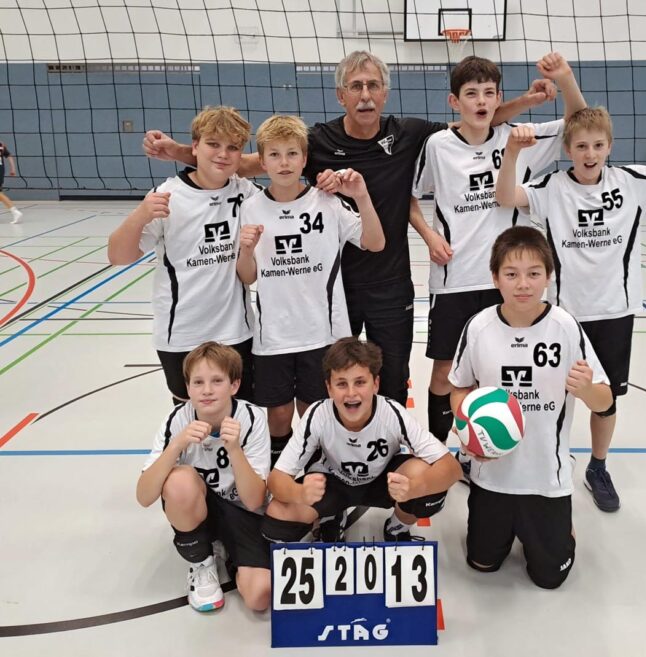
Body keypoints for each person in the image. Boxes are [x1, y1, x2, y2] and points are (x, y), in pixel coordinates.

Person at [142, 51, 558, 406]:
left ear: (384, 93)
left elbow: (476, 119)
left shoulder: (410, 133)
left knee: (392, 379)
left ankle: (397, 455)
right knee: (337, 380)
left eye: (373, 85)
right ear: (341, 95)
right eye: (356, 86)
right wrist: (182, 152)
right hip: (334, 289)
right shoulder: (318, 140)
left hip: (390, 282)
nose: (365, 94)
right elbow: (257, 160)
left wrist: (524, 102)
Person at [496, 107, 646, 512]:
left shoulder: (631, 182)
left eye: (598, 145)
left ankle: (598, 466)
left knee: (606, 398)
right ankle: (537, 458)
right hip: (563, 314)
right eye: (581, 146)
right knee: (547, 396)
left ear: (609, 146)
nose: (590, 153)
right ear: (568, 149)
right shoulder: (551, 187)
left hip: (615, 309)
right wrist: (511, 153)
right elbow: (506, 195)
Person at [409, 52, 586, 457]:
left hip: (508, 280)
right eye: (471, 94)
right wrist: (427, 236)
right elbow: (410, 197)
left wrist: (565, 78)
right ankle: (436, 453)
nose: (481, 101)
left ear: (498, 97)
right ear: (455, 102)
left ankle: (489, 447)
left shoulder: (518, 138)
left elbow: (577, 121)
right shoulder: (437, 145)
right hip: (453, 277)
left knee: (499, 369)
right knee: (443, 372)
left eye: (489, 93)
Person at [449, 227, 612, 587]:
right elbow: (459, 388)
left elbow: (605, 400)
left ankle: (561, 525)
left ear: (548, 278)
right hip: (492, 476)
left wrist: (586, 390)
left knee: (548, 579)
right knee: (481, 564)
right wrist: (467, 430)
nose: (523, 284)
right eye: (511, 274)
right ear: (495, 278)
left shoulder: (565, 327)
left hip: (544, 479)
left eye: (534, 274)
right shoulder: (478, 327)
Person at [236, 115, 385, 466]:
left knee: (316, 414)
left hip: (324, 335)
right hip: (273, 337)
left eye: (292, 154)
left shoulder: (326, 201)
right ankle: (281, 476)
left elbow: (375, 243)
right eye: (274, 155)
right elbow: (248, 277)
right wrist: (244, 249)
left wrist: (361, 197)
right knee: (277, 418)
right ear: (263, 162)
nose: (284, 163)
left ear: (305, 159)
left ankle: (323, 476)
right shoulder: (251, 207)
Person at [108, 106, 259, 404]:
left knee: (241, 416)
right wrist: (140, 215)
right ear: (194, 147)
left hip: (236, 331)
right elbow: (118, 256)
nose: (223, 154)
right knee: (191, 422)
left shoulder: (248, 194)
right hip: (181, 334)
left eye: (233, 148)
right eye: (213, 144)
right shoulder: (168, 195)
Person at [261, 337, 463, 544]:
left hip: (382, 482)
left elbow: (451, 468)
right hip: (334, 484)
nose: (351, 393)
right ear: (329, 388)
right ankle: (332, 515)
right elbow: (276, 479)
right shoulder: (318, 415)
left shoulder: (391, 413)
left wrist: (415, 487)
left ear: (375, 384)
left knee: (428, 482)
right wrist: (299, 493)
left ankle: (397, 526)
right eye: (341, 384)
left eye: (360, 382)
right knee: (277, 518)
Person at [136, 342, 271, 612]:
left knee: (259, 597)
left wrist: (234, 449)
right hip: (199, 504)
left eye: (216, 381)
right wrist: (176, 445)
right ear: (187, 389)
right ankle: (201, 563)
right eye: (198, 382)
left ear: (234, 385)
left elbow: (255, 500)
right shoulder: (177, 419)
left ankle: (228, 552)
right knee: (179, 480)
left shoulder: (252, 418)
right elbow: (144, 496)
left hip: (240, 510)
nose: (206, 390)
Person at [0, 140, 22, 224]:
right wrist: (13, 168)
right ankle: (15, 211)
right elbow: (9, 155)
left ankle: (15, 211)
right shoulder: (1, 144)